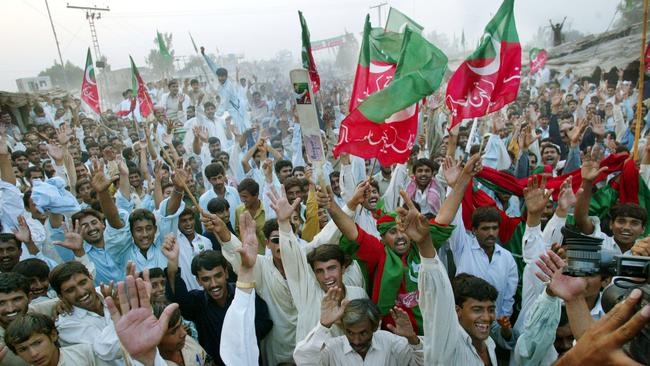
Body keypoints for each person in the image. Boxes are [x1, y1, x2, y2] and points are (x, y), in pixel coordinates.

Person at [268, 185, 367, 342]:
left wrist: (352, 204)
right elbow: (293, 258)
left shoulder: (358, 294)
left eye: (332, 268)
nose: (326, 276)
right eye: (319, 271)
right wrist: (284, 225)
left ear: (343, 268)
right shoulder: (307, 292)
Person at [162, 232, 273, 365]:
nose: (214, 284)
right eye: (206, 279)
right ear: (198, 280)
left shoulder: (244, 294)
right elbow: (177, 299)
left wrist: (241, 337)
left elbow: (265, 322)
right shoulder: (198, 303)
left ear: (226, 273)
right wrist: (173, 264)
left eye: (218, 276)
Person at [435, 155, 519, 317]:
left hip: (494, 326)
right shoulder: (463, 246)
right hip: (464, 322)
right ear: (473, 230)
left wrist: (502, 324)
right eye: (485, 228)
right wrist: (454, 186)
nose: (491, 233)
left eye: (494, 228)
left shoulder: (507, 258)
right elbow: (454, 218)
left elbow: (509, 298)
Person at [294, 294, 424, 365]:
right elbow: (303, 359)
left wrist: (412, 338)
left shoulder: (391, 343)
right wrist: (323, 326)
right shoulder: (332, 348)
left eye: (363, 333)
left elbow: (426, 362)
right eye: (350, 333)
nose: (356, 341)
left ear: (375, 326)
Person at [4, 313, 98, 366]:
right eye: (23, 349)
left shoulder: (86, 353)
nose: (33, 354)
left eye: (37, 343)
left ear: (53, 335)